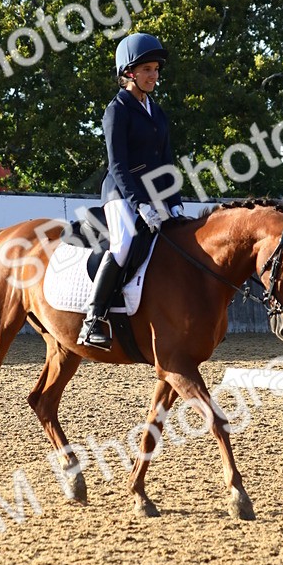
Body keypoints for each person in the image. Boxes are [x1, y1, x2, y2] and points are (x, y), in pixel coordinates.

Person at [78, 32, 185, 350]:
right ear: (129, 73)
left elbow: (166, 163)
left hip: (155, 196)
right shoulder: (118, 110)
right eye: (147, 69)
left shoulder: (157, 112)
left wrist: (175, 203)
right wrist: (139, 204)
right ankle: (93, 319)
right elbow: (118, 165)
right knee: (124, 244)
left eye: (156, 69)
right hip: (120, 193)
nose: (154, 75)